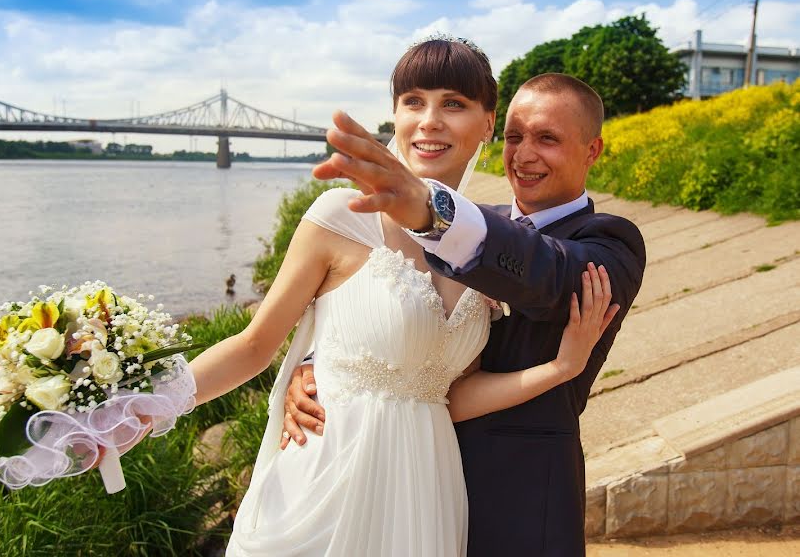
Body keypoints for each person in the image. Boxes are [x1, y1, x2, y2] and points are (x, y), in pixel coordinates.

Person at [179, 37, 618, 557]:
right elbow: (254, 347)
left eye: (453, 103)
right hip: (328, 478)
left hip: (427, 495)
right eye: (413, 101)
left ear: (486, 123)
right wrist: (145, 407)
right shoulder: (341, 213)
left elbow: (454, 392)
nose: (429, 119)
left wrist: (561, 369)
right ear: (394, 115)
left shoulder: (491, 245)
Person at [285, 68, 646, 555]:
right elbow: (390, 317)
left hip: (518, 499)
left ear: (592, 151)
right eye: (515, 136)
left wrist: (431, 210)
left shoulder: (608, 243)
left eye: (548, 139)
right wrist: (317, 367)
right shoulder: (479, 220)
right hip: (409, 483)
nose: (524, 155)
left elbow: (548, 274)